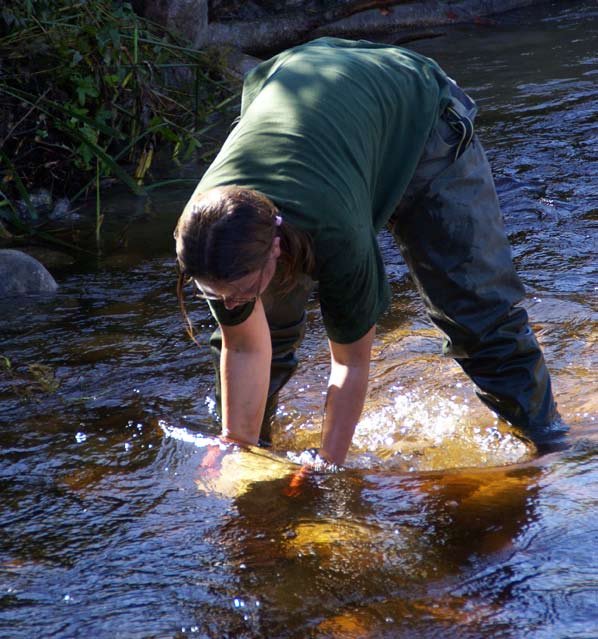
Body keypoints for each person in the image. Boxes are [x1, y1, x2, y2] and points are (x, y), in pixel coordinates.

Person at [174, 37, 562, 466]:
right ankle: (258, 454)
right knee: (271, 327)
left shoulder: (335, 233)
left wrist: (326, 466)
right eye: (218, 294)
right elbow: (245, 347)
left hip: (417, 116)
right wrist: (235, 448)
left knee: (478, 314)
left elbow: (351, 365)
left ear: (275, 247)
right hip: (307, 98)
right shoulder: (208, 236)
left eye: (239, 292)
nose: (229, 304)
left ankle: (550, 449)